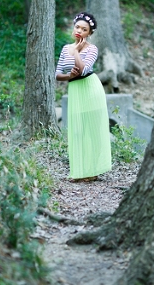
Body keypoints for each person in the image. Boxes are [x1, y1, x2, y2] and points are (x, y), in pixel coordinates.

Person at [55, 12, 112, 182]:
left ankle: (93, 171)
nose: (79, 30)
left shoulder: (92, 49)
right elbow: (58, 74)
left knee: (92, 130)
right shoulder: (66, 48)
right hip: (75, 90)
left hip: (90, 89)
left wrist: (78, 52)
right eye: (77, 27)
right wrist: (69, 77)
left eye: (84, 29)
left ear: (89, 33)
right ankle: (79, 171)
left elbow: (84, 70)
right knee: (77, 131)